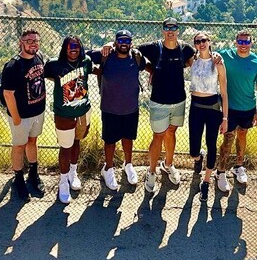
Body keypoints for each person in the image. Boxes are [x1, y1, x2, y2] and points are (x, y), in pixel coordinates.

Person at [136, 17, 196, 193]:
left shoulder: (185, 48)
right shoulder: (154, 47)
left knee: (171, 132)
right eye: (167, 28)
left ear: (178, 30)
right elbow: (133, 51)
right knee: (158, 136)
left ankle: (168, 164)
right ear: (163, 30)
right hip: (159, 101)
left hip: (178, 99)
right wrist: (150, 69)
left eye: (174, 27)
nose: (170, 31)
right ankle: (152, 171)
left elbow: (196, 59)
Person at [87, 29, 147, 191]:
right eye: (120, 41)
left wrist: (154, 76)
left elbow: (149, 65)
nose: (123, 44)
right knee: (110, 141)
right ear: (115, 42)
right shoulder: (105, 56)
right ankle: (108, 168)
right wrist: (103, 47)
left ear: (131, 43)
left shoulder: (136, 57)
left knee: (128, 139)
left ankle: (128, 164)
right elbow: (82, 54)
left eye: (127, 41)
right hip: (109, 108)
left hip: (130, 108)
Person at [44, 35, 93, 204]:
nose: (73, 49)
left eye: (76, 46)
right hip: (63, 113)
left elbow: (96, 69)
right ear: (64, 48)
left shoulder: (86, 61)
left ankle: (73, 172)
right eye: (70, 46)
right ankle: (63, 181)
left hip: (83, 111)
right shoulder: (54, 65)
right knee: (65, 147)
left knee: (77, 141)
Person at [216, 30, 257, 192]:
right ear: (236, 42)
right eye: (241, 42)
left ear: (251, 43)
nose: (243, 45)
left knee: (243, 135)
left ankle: (239, 166)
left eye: (247, 42)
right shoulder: (226, 56)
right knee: (228, 139)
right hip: (229, 108)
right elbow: (209, 53)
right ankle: (221, 172)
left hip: (248, 108)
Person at [0, 29, 46, 201]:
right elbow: (7, 94)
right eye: (29, 40)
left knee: (33, 141)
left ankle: (33, 173)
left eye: (36, 40)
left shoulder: (39, 57)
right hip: (21, 115)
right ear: (21, 42)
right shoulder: (13, 66)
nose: (33, 43)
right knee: (19, 146)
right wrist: (16, 117)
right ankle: (18, 179)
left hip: (37, 112)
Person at [188, 32, 228, 202]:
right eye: (198, 41)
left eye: (204, 40)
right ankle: (198, 158)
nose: (201, 43)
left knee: (211, 144)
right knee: (193, 149)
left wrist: (225, 118)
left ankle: (206, 182)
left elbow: (224, 93)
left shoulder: (218, 63)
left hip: (213, 109)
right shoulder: (192, 60)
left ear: (209, 42)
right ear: (195, 44)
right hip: (196, 107)